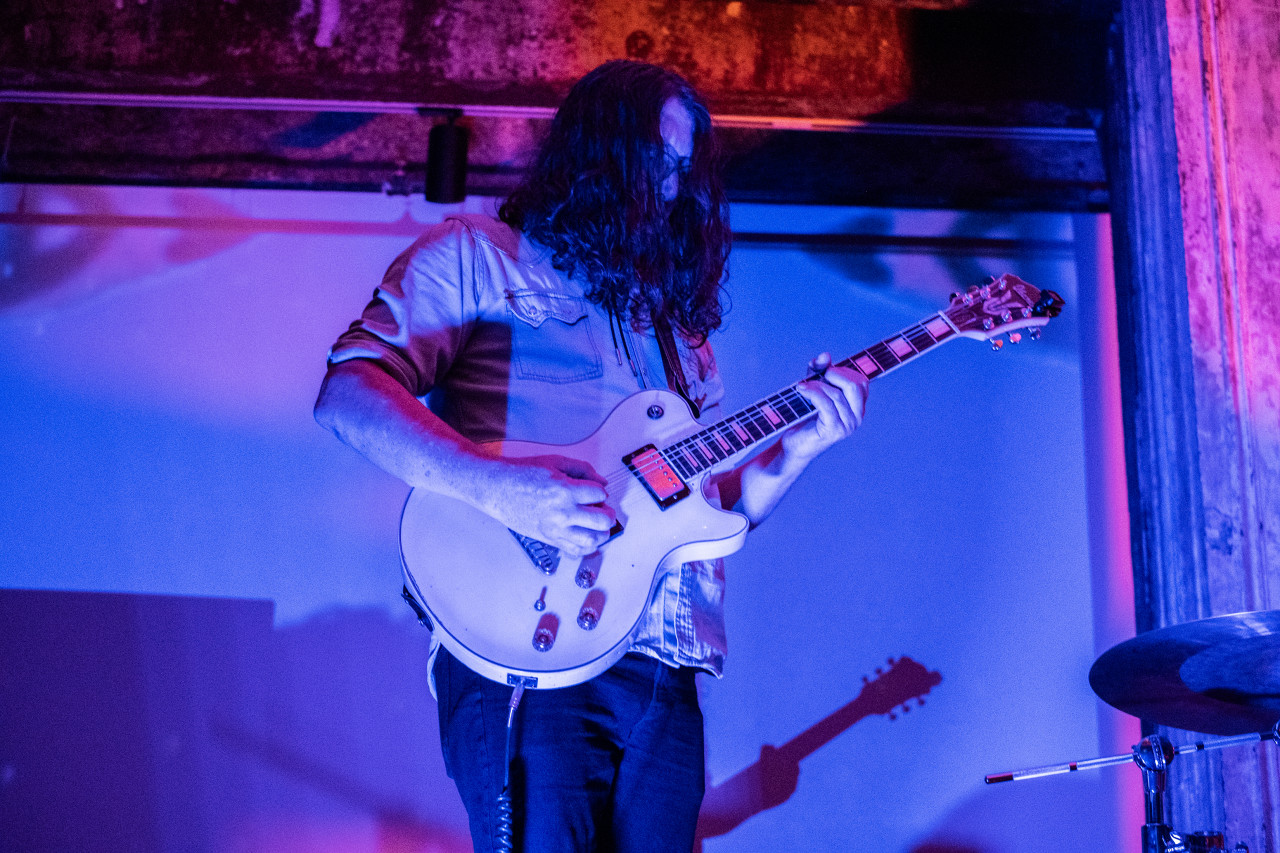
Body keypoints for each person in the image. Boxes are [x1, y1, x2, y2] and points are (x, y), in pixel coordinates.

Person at [314, 59, 868, 853]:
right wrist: (500, 489)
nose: (671, 187)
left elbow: (713, 512)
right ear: (597, 149)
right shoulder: (479, 259)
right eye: (656, 160)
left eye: (682, 169)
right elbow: (349, 394)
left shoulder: (679, 337)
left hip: (665, 660)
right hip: (526, 650)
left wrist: (803, 443)